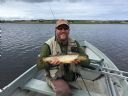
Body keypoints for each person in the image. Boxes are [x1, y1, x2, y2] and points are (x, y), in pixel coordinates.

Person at [37, 19, 90, 96]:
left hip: (71, 77)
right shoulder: (47, 45)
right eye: (60, 28)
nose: (63, 30)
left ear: (69, 30)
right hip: (54, 78)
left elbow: (87, 61)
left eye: (65, 28)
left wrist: (80, 61)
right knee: (64, 91)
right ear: (55, 30)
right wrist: (50, 63)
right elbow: (39, 65)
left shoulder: (75, 42)